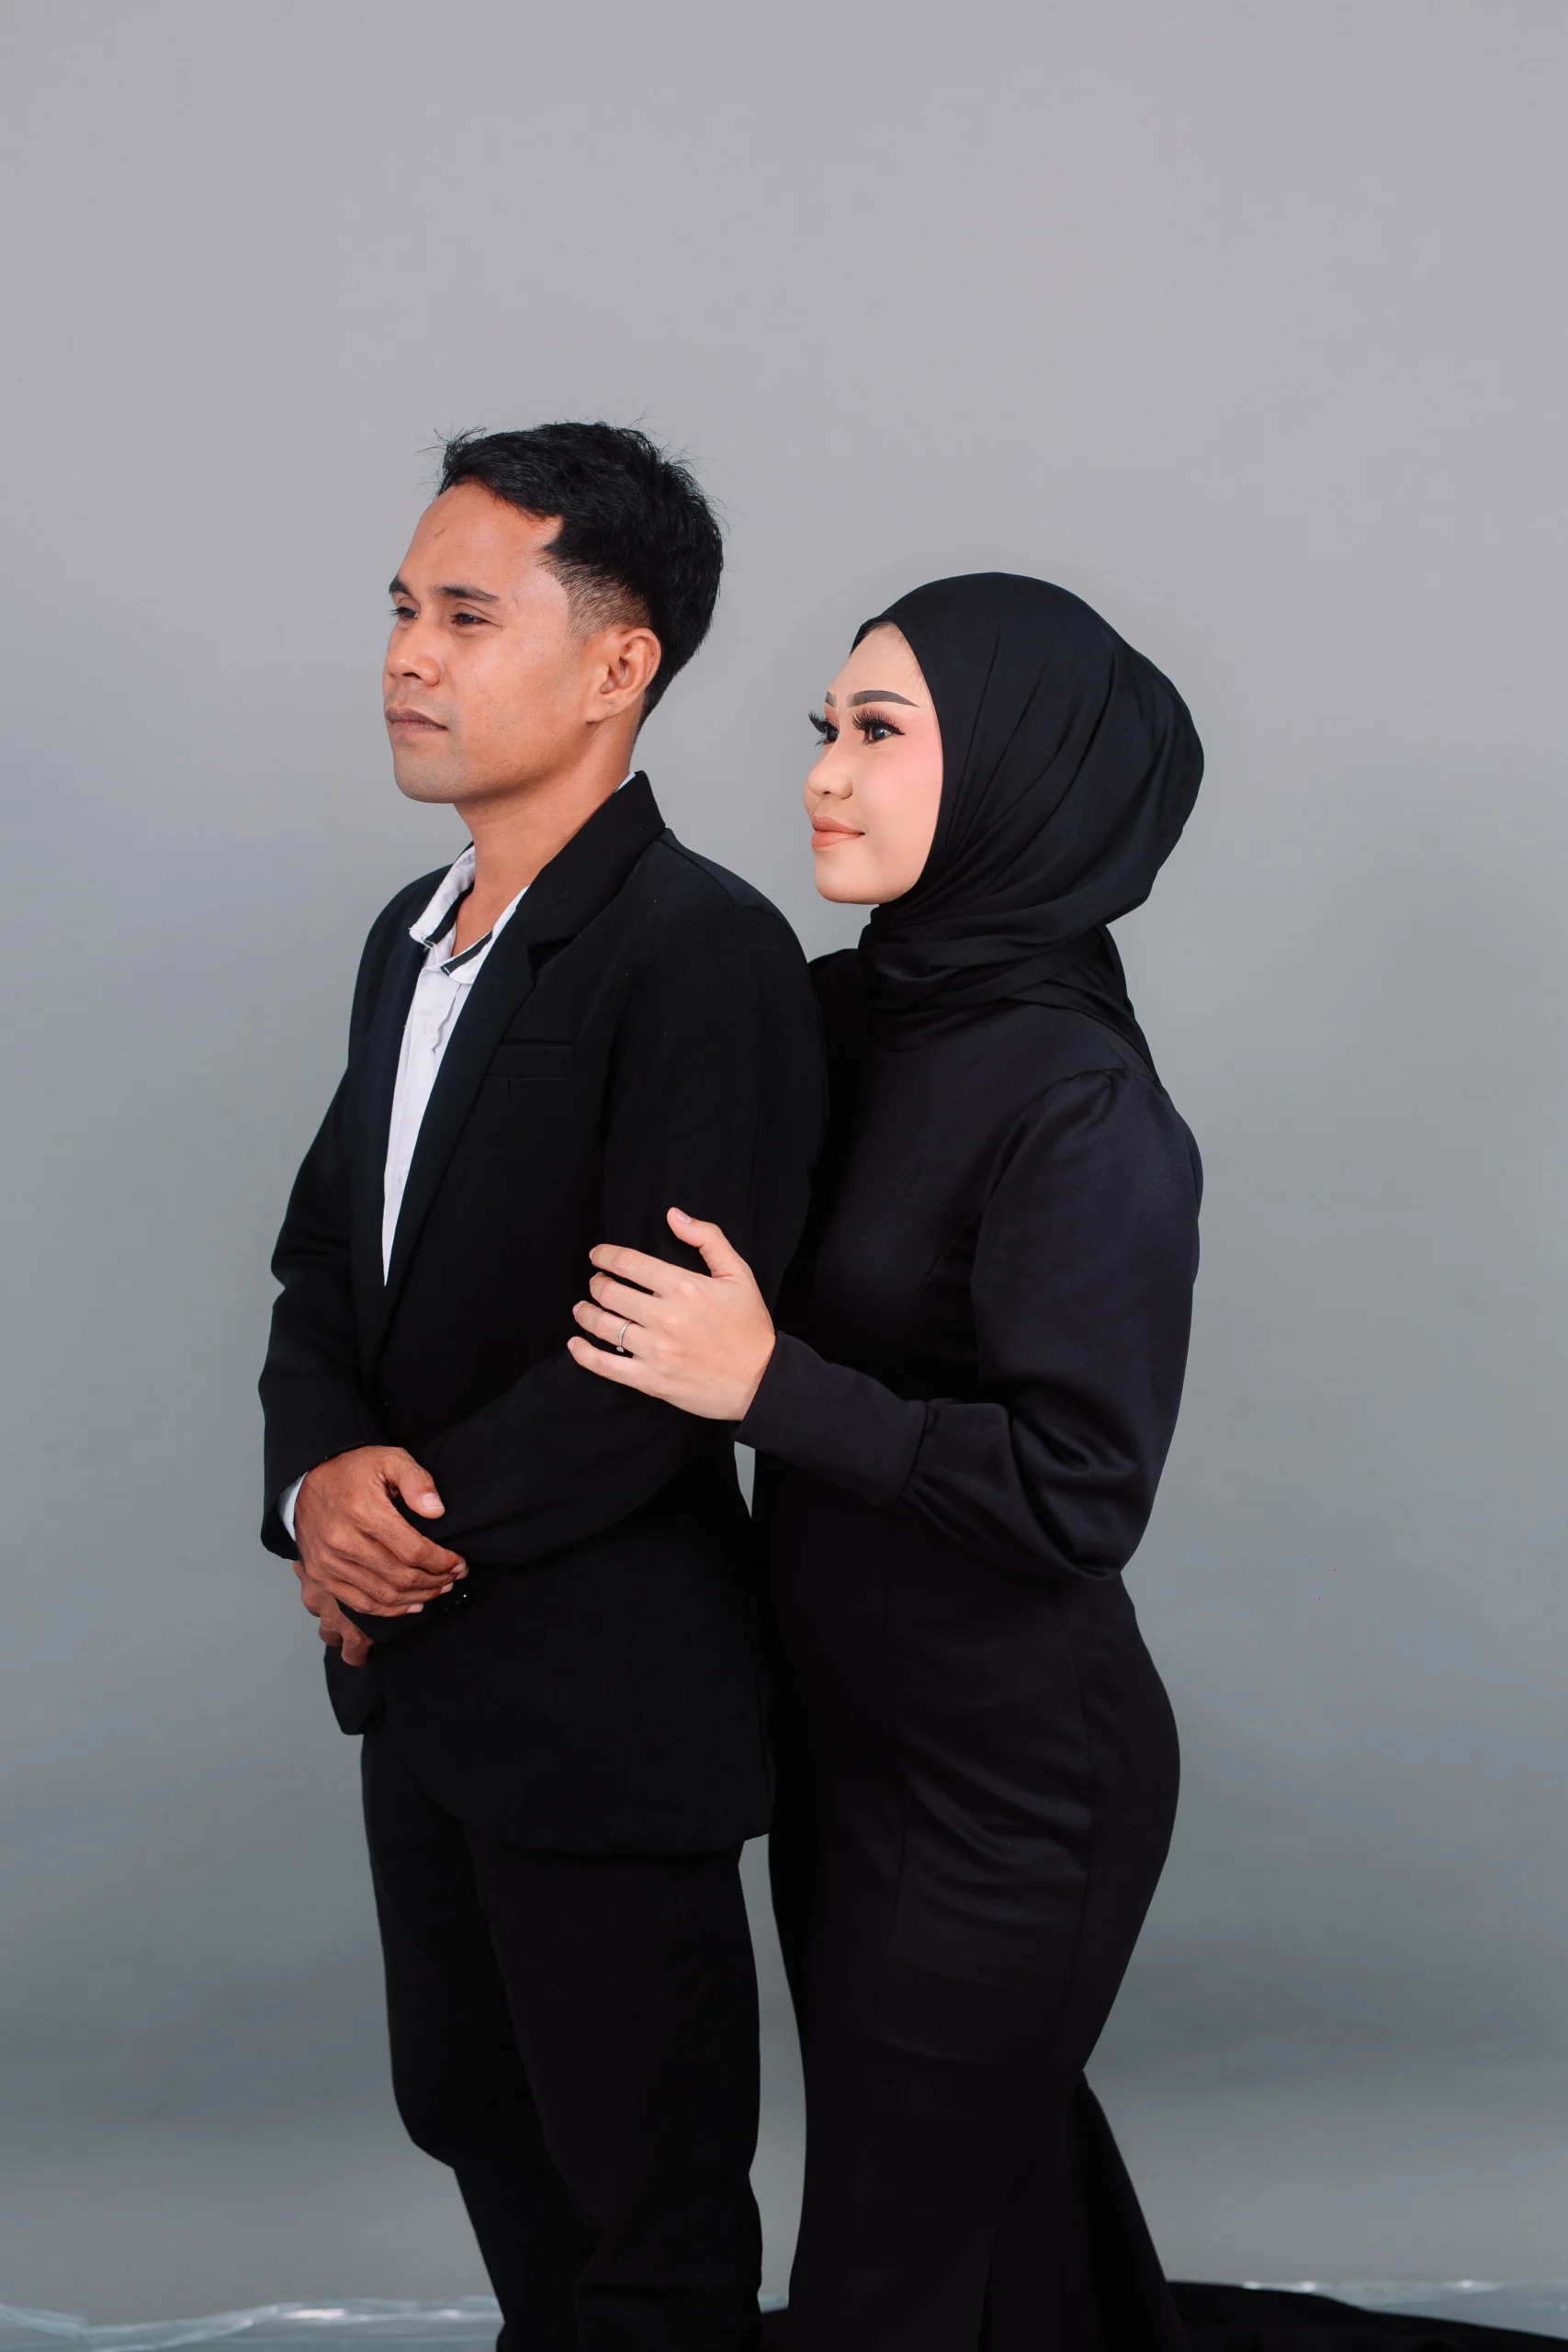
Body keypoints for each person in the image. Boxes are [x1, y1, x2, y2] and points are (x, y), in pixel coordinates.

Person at [569, 572, 1204, 2350]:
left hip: (1010, 1785)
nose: (822, 776)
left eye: (878, 733)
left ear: (1013, 774)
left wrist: (767, 1385)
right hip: (842, 1745)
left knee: (885, 2260)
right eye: (823, 729)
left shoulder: (1080, 1101)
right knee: (984, 2209)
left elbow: (1082, 1490)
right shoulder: (845, 1015)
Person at [258, 423, 823, 2352]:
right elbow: (322, 1262)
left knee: (645, 2204)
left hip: (603, 1698)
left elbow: (661, 1359)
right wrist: (318, 1483)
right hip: (420, 1685)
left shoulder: (703, 951)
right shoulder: (406, 940)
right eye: (402, 609)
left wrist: (397, 1530)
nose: (407, 656)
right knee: (476, 2119)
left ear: (616, 663)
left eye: (466, 615)